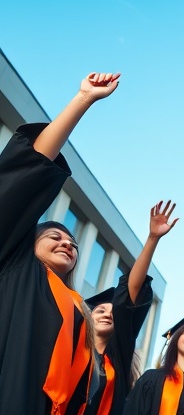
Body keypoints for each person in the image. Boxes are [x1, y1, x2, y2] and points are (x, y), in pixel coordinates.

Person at [0, 72, 119, 414]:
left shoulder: (78, 308)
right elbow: (26, 174)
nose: (68, 243)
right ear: (29, 241)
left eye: (73, 243)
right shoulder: (16, 266)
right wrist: (83, 99)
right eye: (55, 236)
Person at [83, 200, 178, 415]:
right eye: (100, 311)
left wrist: (152, 239)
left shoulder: (117, 355)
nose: (108, 314)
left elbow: (130, 293)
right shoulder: (70, 348)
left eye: (112, 313)